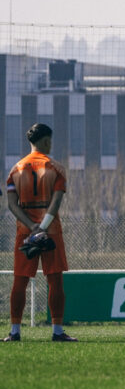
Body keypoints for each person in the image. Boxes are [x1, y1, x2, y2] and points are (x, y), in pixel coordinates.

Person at [3, 123, 75, 342]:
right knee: (55, 281)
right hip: (50, 231)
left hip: (25, 232)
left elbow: (12, 205)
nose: (51, 144)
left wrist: (31, 226)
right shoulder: (55, 168)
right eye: (50, 141)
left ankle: (15, 332)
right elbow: (56, 203)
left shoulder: (16, 169)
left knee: (20, 281)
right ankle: (57, 331)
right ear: (45, 141)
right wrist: (43, 227)